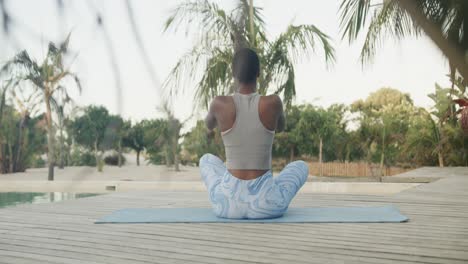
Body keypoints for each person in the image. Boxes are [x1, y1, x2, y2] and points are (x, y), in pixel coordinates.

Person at [200, 47, 309, 219]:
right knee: (301, 166)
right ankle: (267, 190)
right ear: (258, 73)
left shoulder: (219, 103)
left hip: (227, 206)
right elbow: (280, 127)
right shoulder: (273, 103)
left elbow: (208, 125)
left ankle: (232, 190)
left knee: (206, 159)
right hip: (266, 206)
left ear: (233, 74)